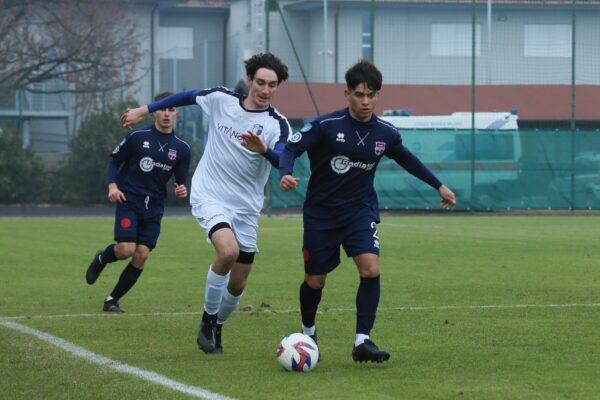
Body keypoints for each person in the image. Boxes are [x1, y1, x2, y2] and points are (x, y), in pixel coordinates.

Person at [279, 60, 456, 363]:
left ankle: (363, 341)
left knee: (370, 268)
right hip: (321, 214)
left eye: (371, 95)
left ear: (377, 96)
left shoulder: (385, 132)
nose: (365, 101)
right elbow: (291, 147)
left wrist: (438, 185)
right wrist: (285, 171)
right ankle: (308, 332)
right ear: (346, 93)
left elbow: (408, 159)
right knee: (315, 280)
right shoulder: (326, 126)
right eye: (359, 94)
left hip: (359, 211)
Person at [120, 53, 291, 354]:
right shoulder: (221, 100)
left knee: (237, 285)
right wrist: (143, 111)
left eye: (272, 85)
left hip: (246, 207)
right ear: (250, 80)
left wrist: (263, 149)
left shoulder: (278, 124)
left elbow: (282, 159)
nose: (265, 90)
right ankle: (207, 319)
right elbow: (186, 96)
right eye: (260, 83)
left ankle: (218, 324)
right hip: (210, 193)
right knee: (227, 252)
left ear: (278, 87)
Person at [85, 91, 191, 313]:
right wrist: (113, 186)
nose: (166, 114)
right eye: (162, 108)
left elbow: (180, 180)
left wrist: (181, 189)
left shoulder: (182, 148)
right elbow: (114, 163)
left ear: (176, 115)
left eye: (171, 110)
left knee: (141, 254)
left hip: (154, 206)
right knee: (125, 250)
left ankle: (112, 301)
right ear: (154, 112)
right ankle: (102, 258)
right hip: (129, 199)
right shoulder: (137, 137)